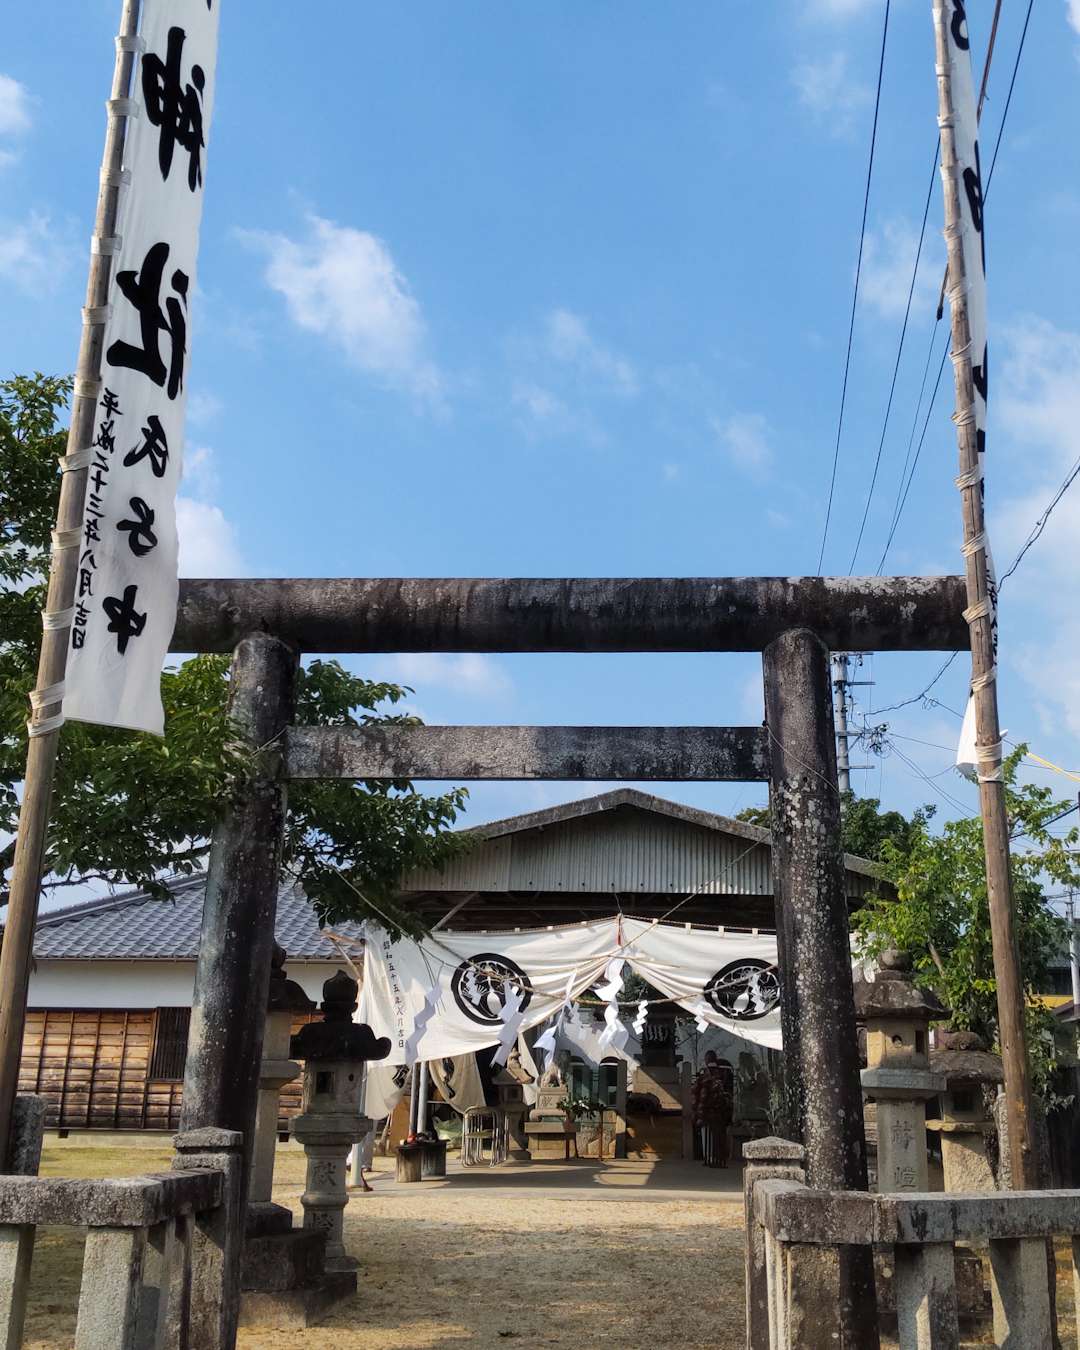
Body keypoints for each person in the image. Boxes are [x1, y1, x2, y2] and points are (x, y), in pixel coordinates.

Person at [691, 1050, 734, 1167]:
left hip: (708, 1112)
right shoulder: (724, 1073)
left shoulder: (705, 1076)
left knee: (707, 1137)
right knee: (719, 1136)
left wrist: (698, 1114)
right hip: (720, 1112)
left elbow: (700, 1096)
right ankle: (718, 1158)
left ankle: (710, 1158)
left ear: (706, 1060)